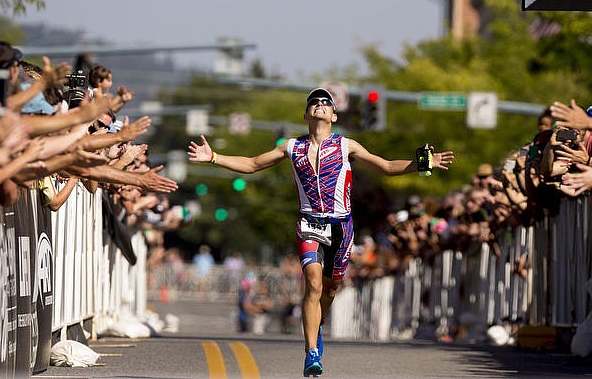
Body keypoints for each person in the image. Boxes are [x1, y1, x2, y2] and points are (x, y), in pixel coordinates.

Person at [188, 87, 455, 377]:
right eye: (313, 102)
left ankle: (318, 323)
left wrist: (421, 164)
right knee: (313, 284)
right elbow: (252, 164)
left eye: (325, 103)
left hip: (341, 224)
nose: (319, 105)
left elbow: (387, 166)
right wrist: (214, 156)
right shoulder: (291, 147)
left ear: (334, 115)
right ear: (306, 114)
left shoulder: (346, 146)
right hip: (309, 223)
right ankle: (311, 351)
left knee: (330, 288)